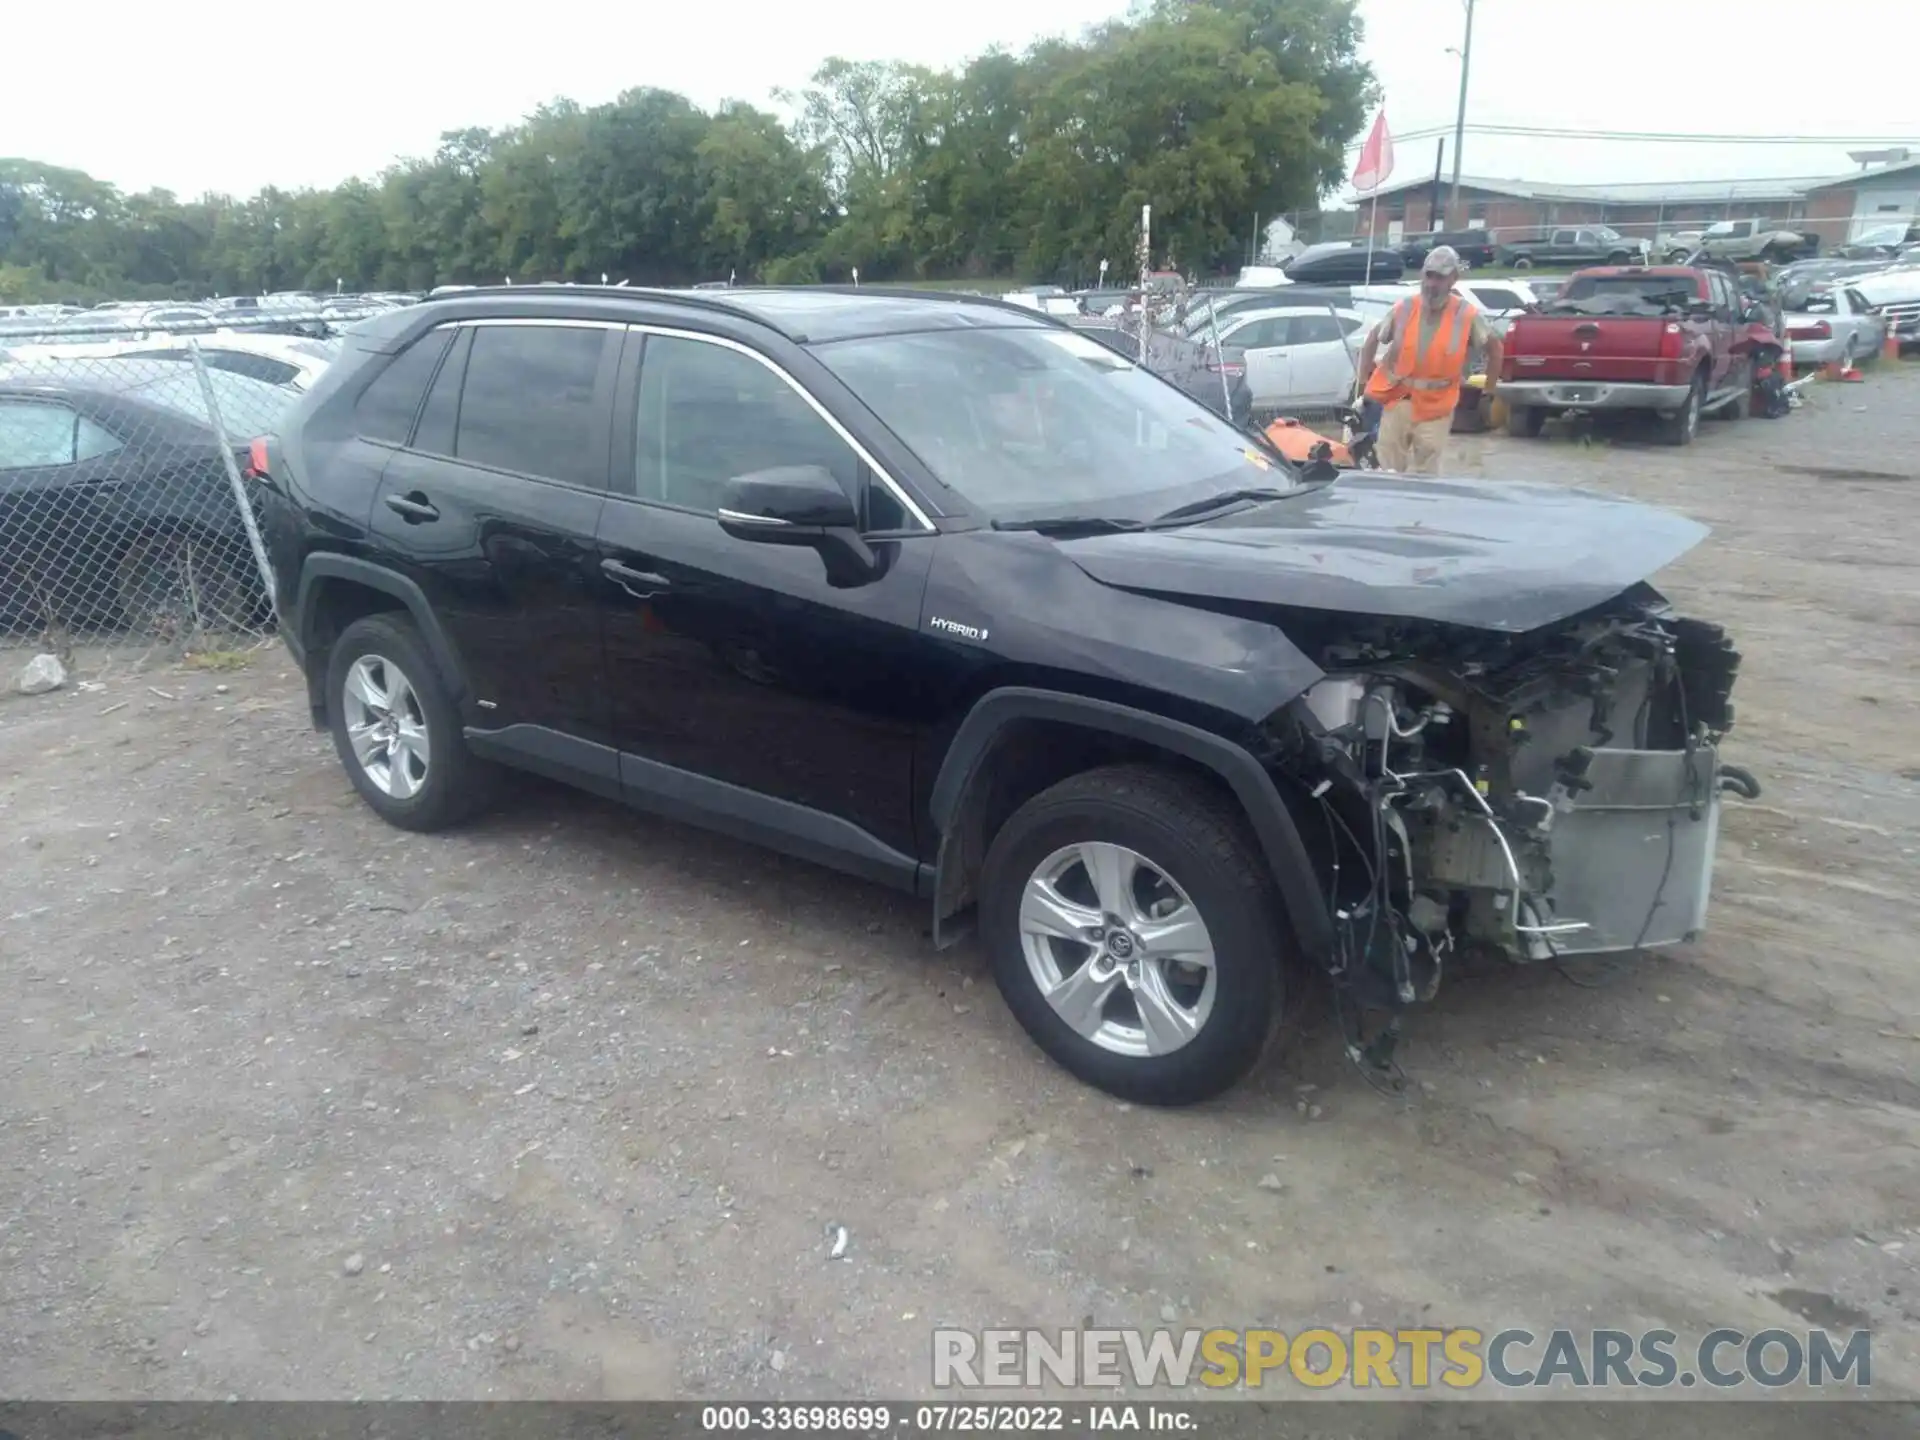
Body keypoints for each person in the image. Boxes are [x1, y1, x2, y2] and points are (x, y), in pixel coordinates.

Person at [1355, 245, 1501, 476]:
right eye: (1429, 275)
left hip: (1437, 404)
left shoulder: (1466, 314)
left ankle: (1420, 512)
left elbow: (1495, 348)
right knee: (1386, 470)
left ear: (1453, 279)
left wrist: (1489, 391)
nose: (1432, 284)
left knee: (1427, 474)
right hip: (1397, 397)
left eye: (1440, 278)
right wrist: (1363, 383)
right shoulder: (1404, 308)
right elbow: (1373, 339)